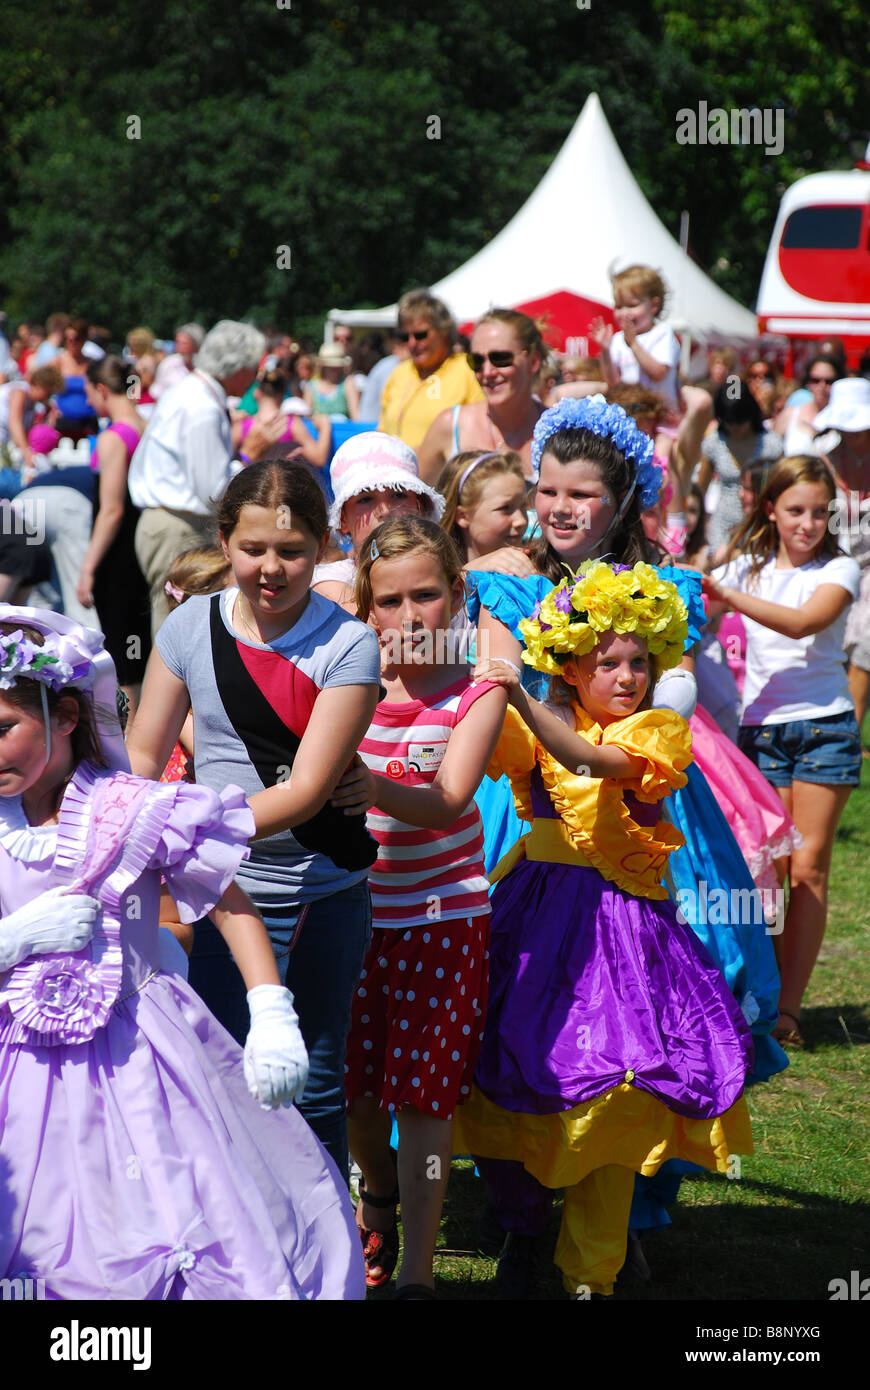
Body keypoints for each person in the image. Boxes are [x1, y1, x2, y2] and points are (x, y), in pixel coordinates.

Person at [0, 605, 364, 1300]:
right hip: (17, 1060)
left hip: (142, 1050)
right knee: (43, 1208)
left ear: (67, 716)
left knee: (171, 1200)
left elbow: (229, 903)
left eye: (3, 730)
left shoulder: (132, 808)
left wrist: (269, 1010)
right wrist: (15, 940)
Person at [458, 561, 752, 1299]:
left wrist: (516, 688)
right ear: (571, 667)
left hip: (623, 934)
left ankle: (593, 1269)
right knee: (503, 1066)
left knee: (619, 1087)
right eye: (606, 663)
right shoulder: (533, 719)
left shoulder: (657, 730)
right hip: (531, 914)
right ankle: (523, 1227)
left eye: (639, 663)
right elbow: (474, 751)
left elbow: (589, 758)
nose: (627, 676)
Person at [126, 461, 381, 1177]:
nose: (272, 569)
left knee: (313, 1089)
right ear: (224, 541)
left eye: (293, 551)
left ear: (323, 545)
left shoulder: (349, 645)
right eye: (253, 550)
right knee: (217, 1080)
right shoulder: (185, 626)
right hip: (211, 896)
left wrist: (186, 827)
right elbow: (144, 755)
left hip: (317, 896)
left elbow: (305, 791)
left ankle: (329, 1271)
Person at [332, 515, 507, 1298]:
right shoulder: (348, 684)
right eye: (390, 601)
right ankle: (378, 1198)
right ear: (366, 609)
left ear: (456, 594)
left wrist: (371, 787)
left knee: (423, 1097)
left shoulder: (476, 689)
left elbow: (447, 800)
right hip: (351, 914)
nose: (408, 618)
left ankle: (417, 1272)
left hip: (443, 920)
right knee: (357, 1096)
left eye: (426, 596)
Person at [706, 456, 862, 1047]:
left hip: (825, 729)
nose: (809, 523)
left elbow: (802, 624)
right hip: (761, 732)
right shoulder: (742, 567)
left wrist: (725, 593)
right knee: (769, 873)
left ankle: (789, 1012)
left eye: (820, 512)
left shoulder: (842, 569)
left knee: (811, 868)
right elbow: (692, 592)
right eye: (796, 510)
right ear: (770, 509)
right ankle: (763, 1000)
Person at [128, 320, 266, 634]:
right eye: (253, 367)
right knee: (176, 637)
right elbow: (214, 491)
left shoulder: (191, 390)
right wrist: (249, 456)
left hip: (169, 523)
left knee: (174, 632)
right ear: (236, 366)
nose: (256, 376)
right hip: (178, 527)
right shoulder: (202, 405)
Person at [590, 264, 712, 484]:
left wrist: (634, 345)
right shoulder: (618, 340)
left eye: (632, 305)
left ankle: (664, 505)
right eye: (619, 306)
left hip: (663, 417)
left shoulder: (661, 334)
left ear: (653, 305)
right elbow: (612, 382)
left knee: (659, 465)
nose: (624, 312)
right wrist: (606, 350)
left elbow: (658, 372)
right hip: (632, 416)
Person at [76, 356, 151, 716]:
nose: (89, 401)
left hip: (118, 554)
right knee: (141, 642)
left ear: (102, 390)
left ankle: (131, 735)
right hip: (142, 547)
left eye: (90, 393)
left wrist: (88, 567)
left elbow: (111, 508)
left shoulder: (112, 438)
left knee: (122, 651)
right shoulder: (146, 425)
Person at [311, 431, 444, 611]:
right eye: (365, 499)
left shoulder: (448, 575)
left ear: (419, 506)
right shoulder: (328, 583)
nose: (385, 511)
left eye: (399, 495)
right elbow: (377, 627)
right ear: (343, 519)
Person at [418, 309, 545, 483]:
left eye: (500, 358)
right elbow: (416, 504)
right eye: (477, 361)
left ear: (533, 361)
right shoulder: (450, 425)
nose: (487, 372)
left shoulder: (557, 427)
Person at [814, 378, 870, 744]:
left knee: (865, 639)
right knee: (828, 641)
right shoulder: (821, 458)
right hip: (830, 561)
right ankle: (827, 724)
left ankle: (847, 734)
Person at [378, 290, 484, 451]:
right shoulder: (399, 373)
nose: (412, 343)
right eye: (405, 337)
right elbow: (382, 431)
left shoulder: (468, 370)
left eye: (421, 335)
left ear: (444, 331)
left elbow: (482, 430)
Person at [698, 379, 783, 551]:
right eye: (729, 422)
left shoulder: (772, 444)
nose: (735, 427)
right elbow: (700, 490)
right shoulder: (714, 442)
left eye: (740, 421)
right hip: (723, 527)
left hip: (762, 525)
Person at [436, 450, 528, 568]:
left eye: (523, 506)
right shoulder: (436, 576)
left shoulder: (538, 570)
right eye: (505, 508)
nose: (521, 520)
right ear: (463, 516)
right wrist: (468, 572)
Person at [773, 355, 840, 457]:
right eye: (815, 380)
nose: (821, 386)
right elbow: (771, 453)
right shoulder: (790, 414)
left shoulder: (842, 420)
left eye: (828, 381)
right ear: (808, 381)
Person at [304, 343, 359, 419]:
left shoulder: (348, 383)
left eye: (337, 366)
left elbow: (356, 416)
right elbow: (306, 416)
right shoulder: (311, 385)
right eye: (330, 366)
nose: (334, 370)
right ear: (323, 366)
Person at [150, 323, 205, 399]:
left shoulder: (205, 366)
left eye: (184, 344)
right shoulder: (168, 364)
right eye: (177, 342)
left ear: (196, 345)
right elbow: (157, 392)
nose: (179, 348)